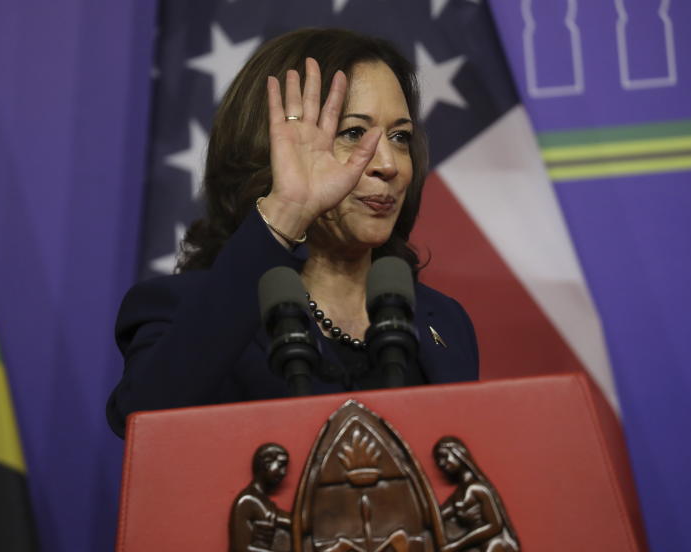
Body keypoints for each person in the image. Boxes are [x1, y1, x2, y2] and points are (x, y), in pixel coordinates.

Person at [107, 28, 479, 438]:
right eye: (354, 133)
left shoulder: (442, 321)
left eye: (400, 137)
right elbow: (144, 423)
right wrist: (288, 210)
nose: (388, 164)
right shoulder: (182, 309)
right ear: (269, 148)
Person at [433, 437, 519, 552]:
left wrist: (457, 545)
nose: (441, 463)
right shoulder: (458, 495)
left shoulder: (477, 489)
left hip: (494, 546)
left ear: (458, 454)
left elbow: (495, 526)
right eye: (438, 460)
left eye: (444, 456)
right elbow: (436, 517)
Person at [229, 443, 292, 552]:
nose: (284, 473)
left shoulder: (263, 500)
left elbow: (291, 522)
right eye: (281, 465)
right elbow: (240, 549)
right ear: (266, 464)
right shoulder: (248, 501)